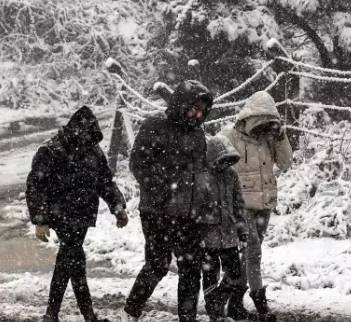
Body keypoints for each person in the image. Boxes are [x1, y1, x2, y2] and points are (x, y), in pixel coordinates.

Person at [27, 105, 129, 322]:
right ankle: (85, 315)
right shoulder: (52, 150)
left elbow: (105, 182)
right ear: (75, 131)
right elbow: (36, 186)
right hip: (61, 215)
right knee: (74, 258)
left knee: (69, 260)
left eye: (91, 136)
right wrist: (41, 220)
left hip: (82, 216)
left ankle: (53, 315)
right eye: (84, 135)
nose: (87, 141)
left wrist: (117, 206)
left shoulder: (93, 151)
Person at [123, 80, 215, 322]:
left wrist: (203, 201)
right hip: (157, 211)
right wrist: (163, 192)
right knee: (158, 264)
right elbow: (139, 163)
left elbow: (200, 170)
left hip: (189, 212)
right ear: (182, 104)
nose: (198, 114)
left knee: (191, 268)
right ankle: (132, 309)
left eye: (203, 110)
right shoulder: (155, 125)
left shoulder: (197, 134)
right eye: (194, 107)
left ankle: (188, 317)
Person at [221, 91, 293, 322]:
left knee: (247, 255)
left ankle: (232, 300)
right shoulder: (228, 136)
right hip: (240, 204)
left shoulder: (269, 139)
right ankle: (260, 304)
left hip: (264, 204)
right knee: (253, 252)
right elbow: (214, 165)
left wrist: (281, 137)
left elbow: (285, 162)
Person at [194, 134, 247, 321]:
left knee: (234, 271)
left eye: (225, 162)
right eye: (219, 162)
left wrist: (243, 230)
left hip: (229, 233)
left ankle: (218, 299)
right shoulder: (202, 178)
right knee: (210, 275)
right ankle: (213, 313)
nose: (222, 166)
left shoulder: (232, 176)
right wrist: (196, 234)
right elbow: (195, 208)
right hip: (208, 237)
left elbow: (239, 204)